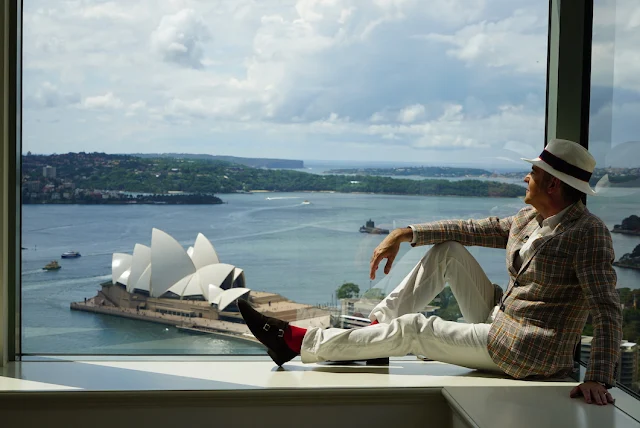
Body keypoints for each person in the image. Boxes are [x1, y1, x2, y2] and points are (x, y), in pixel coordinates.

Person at [238, 139, 622, 406]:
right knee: (448, 252)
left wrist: (598, 377)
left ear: (552, 184)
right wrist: (405, 233)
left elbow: (606, 308)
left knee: (416, 330)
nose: (526, 177)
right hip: (502, 319)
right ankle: (375, 329)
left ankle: (295, 342)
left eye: (533, 172)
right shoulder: (529, 218)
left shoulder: (587, 233)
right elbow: (470, 230)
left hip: (528, 349)